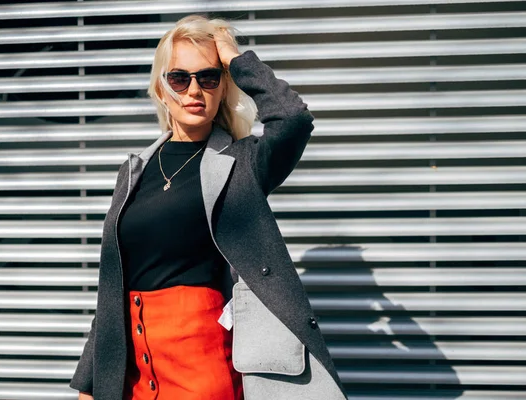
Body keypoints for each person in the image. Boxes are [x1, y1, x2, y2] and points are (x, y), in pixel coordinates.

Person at [69, 14, 348, 400]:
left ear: (221, 88)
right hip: (133, 375)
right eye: (179, 78)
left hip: (203, 371)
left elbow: (293, 119)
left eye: (208, 77)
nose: (193, 90)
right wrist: (89, 383)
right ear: (162, 88)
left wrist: (235, 58)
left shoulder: (242, 164)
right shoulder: (133, 172)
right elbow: (112, 290)